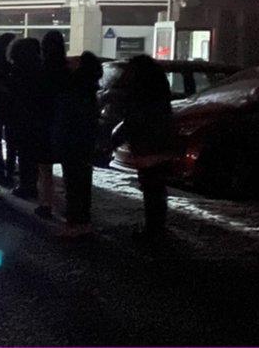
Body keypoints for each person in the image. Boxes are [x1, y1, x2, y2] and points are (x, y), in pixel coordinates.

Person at [113, 54, 175, 238]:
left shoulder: (139, 94)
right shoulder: (159, 89)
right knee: (156, 186)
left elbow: (133, 119)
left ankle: (153, 229)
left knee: (150, 186)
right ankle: (157, 226)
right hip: (160, 142)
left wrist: (118, 139)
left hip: (146, 144)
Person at [55, 51, 103, 237]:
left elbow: (68, 113)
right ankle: (82, 221)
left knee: (73, 183)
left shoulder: (75, 86)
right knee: (82, 182)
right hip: (84, 141)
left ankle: (74, 223)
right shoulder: (90, 87)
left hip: (72, 140)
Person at [6, 38, 50, 201]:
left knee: (24, 153)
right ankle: (32, 184)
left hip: (21, 117)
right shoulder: (41, 69)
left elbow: (13, 94)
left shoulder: (18, 70)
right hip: (38, 118)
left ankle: (27, 186)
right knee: (32, 153)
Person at [33, 30, 70, 217]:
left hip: (44, 123)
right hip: (64, 124)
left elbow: (36, 98)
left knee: (45, 168)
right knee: (67, 167)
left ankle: (46, 204)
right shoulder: (67, 70)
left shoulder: (41, 70)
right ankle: (70, 205)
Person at [0, 33, 18, 186]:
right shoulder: (10, 66)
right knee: (11, 141)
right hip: (10, 108)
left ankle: (0, 171)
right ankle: (9, 171)